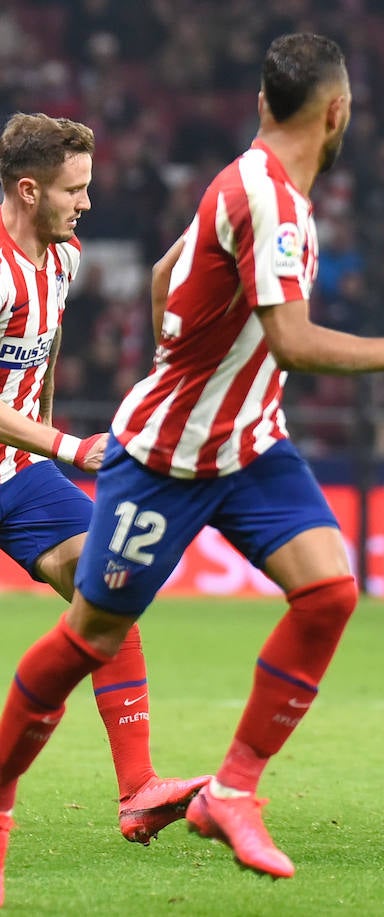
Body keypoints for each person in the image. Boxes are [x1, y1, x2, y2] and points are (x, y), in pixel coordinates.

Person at [0, 33, 384, 900]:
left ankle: (220, 787)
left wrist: (182, 363)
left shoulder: (107, 244)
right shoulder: (268, 199)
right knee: (92, 630)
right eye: (75, 187)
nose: (88, 201)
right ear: (337, 113)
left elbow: (161, 276)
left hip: (241, 443)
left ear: (268, 103)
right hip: (159, 456)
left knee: (325, 589)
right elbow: (292, 341)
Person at [0, 112, 210, 868]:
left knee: (110, 586)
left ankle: (138, 787)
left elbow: (42, 359)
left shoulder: (61, 261)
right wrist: (68, 444)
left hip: (17, 475)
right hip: (34, 455)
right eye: (73, 189)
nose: (86, 203)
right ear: (29, 190)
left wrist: (44, 449)